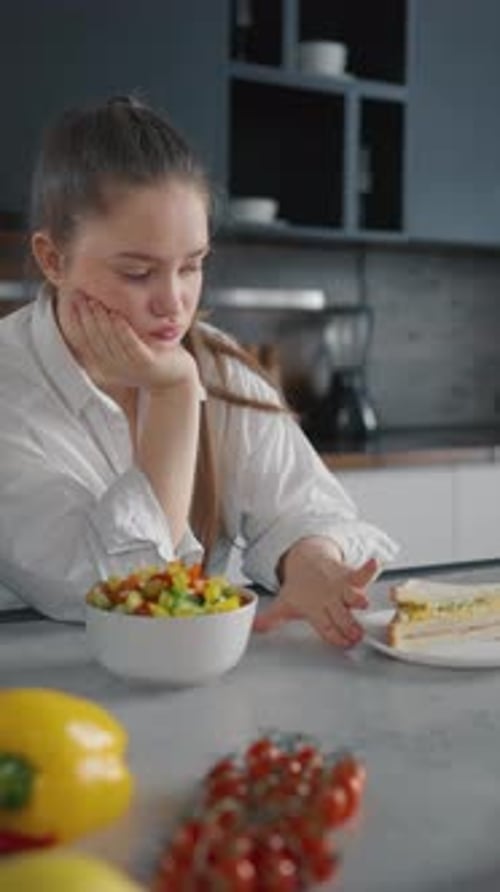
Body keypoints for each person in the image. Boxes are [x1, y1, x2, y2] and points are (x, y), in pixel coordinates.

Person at [0, 96, 398, 645]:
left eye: (191, 266)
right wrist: (173, 395)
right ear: (52, 259)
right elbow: (127, 591)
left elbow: (300, 507)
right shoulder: (9, 388)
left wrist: (311, 563)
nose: (174, 303)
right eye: (138, 272)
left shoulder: (218, 363)